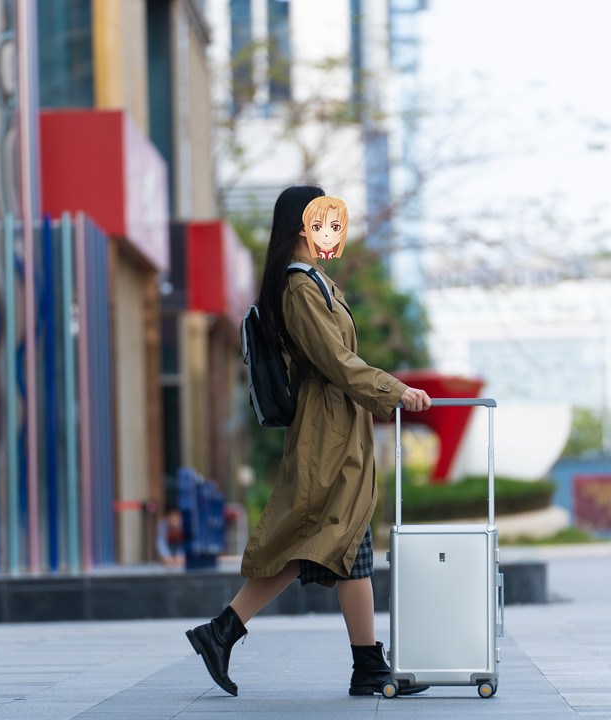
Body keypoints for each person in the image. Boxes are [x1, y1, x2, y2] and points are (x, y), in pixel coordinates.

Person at [184, 185, 432, 697]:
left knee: (346, 542)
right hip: (328, 432)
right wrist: (396, 390)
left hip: (341, 427)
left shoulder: (316, 282)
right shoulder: (299, 289)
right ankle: (225, 631)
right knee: (318, 537)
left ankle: (364, 666)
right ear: (302, 226)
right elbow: (336, 363)